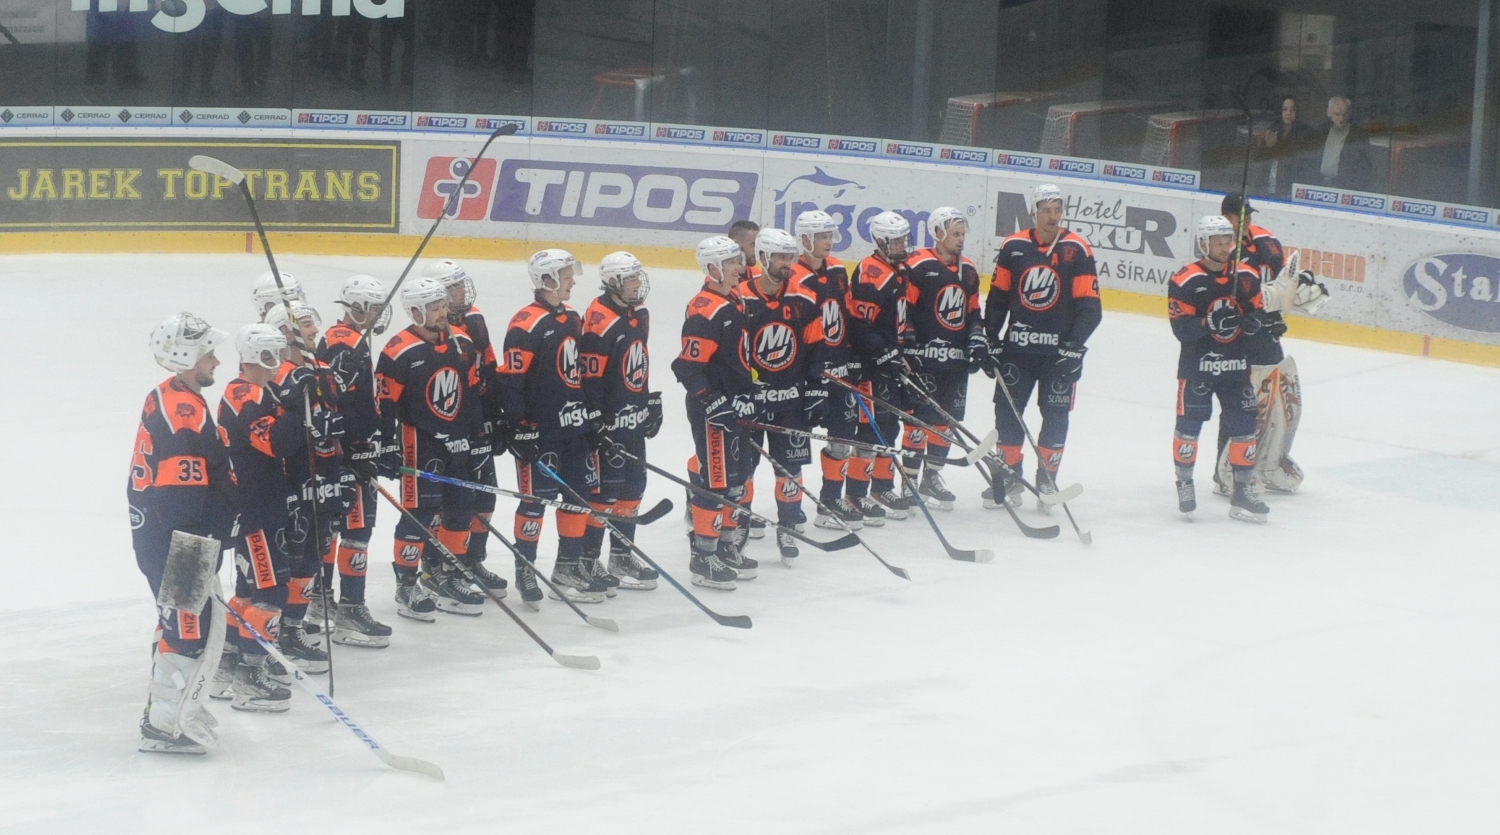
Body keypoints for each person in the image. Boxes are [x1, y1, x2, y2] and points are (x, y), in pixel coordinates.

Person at [132, 313, 235, 754]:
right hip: (180, 539)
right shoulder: (182, 411)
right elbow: (180, 494)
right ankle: (163, 724)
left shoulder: (173, 395)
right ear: (187, 355)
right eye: (208, 352)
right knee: (189, 628)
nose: (216, 360)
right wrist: (201, 545)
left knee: (179, 622)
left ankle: (172, 707)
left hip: (168, 534)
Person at [493, 250, 610, 604]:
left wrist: (591, 414)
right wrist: (519, 425)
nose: (573, 280)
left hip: (573, 428)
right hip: (541, 433)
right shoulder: (525, 323)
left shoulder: (572, 318)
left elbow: (577, 375)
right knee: (535, 502)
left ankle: (567, 568)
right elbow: (510, 381)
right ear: (547, 279)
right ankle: (525, 569)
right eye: (566, 275)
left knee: (578, 497)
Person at [983, 184, 1102, 513]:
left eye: (1057, 210)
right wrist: (990, 337)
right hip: (1017, 352)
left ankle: (1047, 478)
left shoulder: (1077, 249)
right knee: (1007, 412)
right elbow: (998, 298)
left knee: (1056, 414)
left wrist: (1074, 347)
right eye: (1046, 210)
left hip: (1058, 356)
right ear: (1033, 212)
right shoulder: (1014, 246)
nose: (1053, 216)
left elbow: (1090, 308)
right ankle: (1010, 474)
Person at [376, 278, 490, 619]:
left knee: (461, 508)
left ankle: (448, 575)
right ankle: (406, 584)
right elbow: (384, 404)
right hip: (419, 445)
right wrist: (386, 445)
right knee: (419, 514)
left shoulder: (462, 342)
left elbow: (471, 394)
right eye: (435, 308)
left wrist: (478, 436)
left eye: (443, 306)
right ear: (415, 312)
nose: (443, 313)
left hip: (458, 442)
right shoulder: (397, 351)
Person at [1213, 193, 1330, 495]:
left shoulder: (1266, 242)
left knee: (1277, 398)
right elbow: (1225, 294)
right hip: (1235, 334)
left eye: (1249, 215)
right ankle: (1226, 471)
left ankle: (1267, 463)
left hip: (1265, 334)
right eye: (1240, 216)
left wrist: (1302, 285)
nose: (1247, 221)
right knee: (1240, 401)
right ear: (1226, 217)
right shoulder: (1219, 247)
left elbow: (1283, 283)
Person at [1167, 215, 1271, 523]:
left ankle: (1242, 490)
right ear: (1203, 244)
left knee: (1244, 427)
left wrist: (1257, 324)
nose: (1226, 248)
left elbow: (1256, 313)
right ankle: (1184, 483)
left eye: (1229, 242)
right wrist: (1208, 322)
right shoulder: (1185, 280)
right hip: (1197, 369)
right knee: (1189, 427)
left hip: (1235, 367)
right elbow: (1182, 330)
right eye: (1219, 243)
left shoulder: (1246, 275)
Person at [217, 324, 296, 713]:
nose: (279, 362)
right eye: (272, 355)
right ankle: (250, 675)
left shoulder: (255, 391)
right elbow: (277, 443)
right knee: (271, 591)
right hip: (256, 509)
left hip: (256, 506)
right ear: (256, 356)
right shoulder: (245, 396)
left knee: (249, 589)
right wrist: (297, 409)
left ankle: (229, 662)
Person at [313, 275, 394, 648]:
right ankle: (348, 609)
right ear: (357, 307)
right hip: (346, 455)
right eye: (374, 307)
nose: (379, 313)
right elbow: (334, 401)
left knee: (338, 528)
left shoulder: (347, 338)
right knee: (356, 530)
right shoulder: (344, 342)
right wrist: (355, 449)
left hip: (349, 451)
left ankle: (321, 601)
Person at [421, 259, 510, 597]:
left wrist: (497, 415)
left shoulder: (474, 318)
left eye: (461, 284)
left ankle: (472, 560)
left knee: (485, 493)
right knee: (445, 500)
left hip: (477, 420)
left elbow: (489, 366)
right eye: (453, 286)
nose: (461, 291)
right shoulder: (428, 332)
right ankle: (435, 563)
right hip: (446, 429)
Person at [673, 236, 758, 588]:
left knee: (737, 481)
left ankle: (724, 547)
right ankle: (703, 558)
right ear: (712, 268)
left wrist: (749, 392)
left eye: (739, 259)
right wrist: (711, 400)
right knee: (716, 483)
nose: (741, 266)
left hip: (734, 405)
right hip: (712, 411)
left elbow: (735, 359)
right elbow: (687, 367)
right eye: (732, 262)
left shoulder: (734, 299)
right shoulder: (705, 309)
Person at [737, 228, 826, 565]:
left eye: (791, 256)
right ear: (762, 258)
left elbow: (817, 348)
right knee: (743, 470)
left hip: (791, 401)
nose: (788, 263)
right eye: (780, 257)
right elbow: (732, 354)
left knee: (789, 469)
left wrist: (816, 390)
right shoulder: (740, 298)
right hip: (750, 403)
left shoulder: (804, 298)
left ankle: (787, 527)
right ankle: (739, 527)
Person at [580, 252, 663, 591]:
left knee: (633, 488)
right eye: (629, 279)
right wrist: (595, 418)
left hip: (633, 418)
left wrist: (648, 400)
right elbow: (589, 378)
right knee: (605, 493)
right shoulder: (598, 321)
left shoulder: (639, 313)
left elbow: (637, 361)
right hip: (610, 423)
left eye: (637, 277)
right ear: (612, 282)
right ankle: (587, 559)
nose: (636, 284)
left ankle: (621, 555)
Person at [266, 301, 341, 674]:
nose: (314, 331)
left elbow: (338, 421)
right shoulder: (272, 375)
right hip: (290, 483)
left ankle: (292, 629)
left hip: (323, 479)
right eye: (306, 325)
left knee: (312, 558)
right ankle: (271, 634)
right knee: (287, 562)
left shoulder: (321, 369)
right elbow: (274, 436)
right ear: (284, 332)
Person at [900, 207, 985, 511]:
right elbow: (905, 309)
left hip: (955, 361)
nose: (961, 240)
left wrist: (977, 339)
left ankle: (931, 477)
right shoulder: (917, 265)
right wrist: (908, 346)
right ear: (937, 233)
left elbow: (973, 311)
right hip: (923, 361)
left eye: (963, 234)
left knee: (945, 422)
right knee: (917, 421)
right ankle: (909, 480)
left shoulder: (969, 270)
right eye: (955, 234)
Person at [788, 210, 868, 529]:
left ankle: (830, 501)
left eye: (830, 235)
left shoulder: (837, 269)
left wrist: (853, 355)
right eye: (822, 236)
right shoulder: (794, 276)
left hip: (838, 368)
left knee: (842, 436)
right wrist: (810, 377)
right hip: (806, 374)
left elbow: (847, 315)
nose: (829, 242)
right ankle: (788, 507)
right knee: (793, 444)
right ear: (805, 239)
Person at [846, 211, 917, 519]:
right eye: (896, 241)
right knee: (868, 431)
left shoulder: (898, 269)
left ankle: (881, 485)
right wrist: (884, 352)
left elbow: (899, 317)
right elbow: (860, 325)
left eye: (904, 239)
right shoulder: (871, 272)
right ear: (881, 241)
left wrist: (903, 349)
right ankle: (855, 494)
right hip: (868, 366)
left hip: (888, 361)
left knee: (889, 425)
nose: (902, 245)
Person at [1311, 96, 1372, 192]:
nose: (1341, 119)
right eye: (1337, 114)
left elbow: (1363, 167)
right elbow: (1311, 159)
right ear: (1329, 113)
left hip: (1344, 188)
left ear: (1349, 114)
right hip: (1318, 184)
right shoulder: (1321, 131)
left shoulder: (1357, 135)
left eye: (1344, 114)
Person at [1258, 96, 1313, 196]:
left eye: (1293, 110)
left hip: (1291, 186)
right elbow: (1261, 158)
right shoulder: (1273, 127)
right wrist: (1265, 144)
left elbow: (1301, 160)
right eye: (1285, 109)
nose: (1288, 113)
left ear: (1297, 112)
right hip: (1269, 183)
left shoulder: (1305, 131)